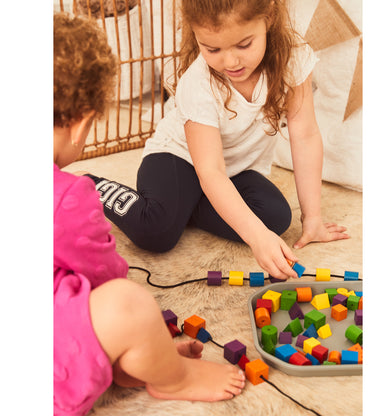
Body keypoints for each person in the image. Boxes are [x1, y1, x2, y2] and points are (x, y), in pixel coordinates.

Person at [53, 12, 245, 416]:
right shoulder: (67, 198)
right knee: (130, 303)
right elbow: (103, 277)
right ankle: (174, 377)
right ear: (82, 123)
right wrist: (149, 340)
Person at [85, 0, 349, 281]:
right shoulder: (197, 83)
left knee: (274, 218)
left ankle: (188, 204)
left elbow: (305, 134)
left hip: (232, 170)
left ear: (269, 17)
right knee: (157, 232)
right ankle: (91, 183)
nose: (230, 62)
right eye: (212, 49)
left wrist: (312, 218)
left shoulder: (293, 58)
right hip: (178, 157)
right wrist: (256, 238)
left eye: (244, 45)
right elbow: (209, 171)